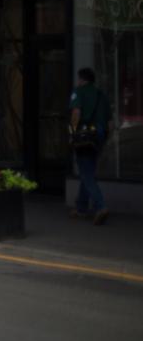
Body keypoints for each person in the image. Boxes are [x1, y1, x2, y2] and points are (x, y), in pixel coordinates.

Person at [70, 67, 110, 225]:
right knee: (88, 171)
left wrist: (73, 132)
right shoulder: (102, 95)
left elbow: (76, 113)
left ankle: (101, 206)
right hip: (99, 135)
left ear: (81, 79)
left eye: (78, 79)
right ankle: (81, 207)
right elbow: (111, 123)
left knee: (86, 173)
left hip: (84, 135)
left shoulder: (79, 92)